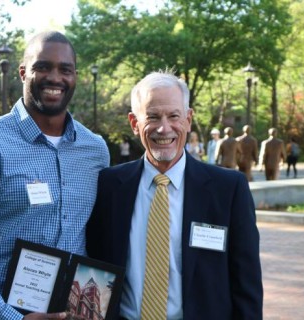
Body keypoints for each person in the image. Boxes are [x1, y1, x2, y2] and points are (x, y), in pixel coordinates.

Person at [0, 31, 110, 320]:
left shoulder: (95, 151)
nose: (55, 78)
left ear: (75, 76)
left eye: (65, 69)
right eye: (43, 67)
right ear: (23, 72)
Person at [86, 71, 263, 319]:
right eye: (153, 117)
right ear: (134, 124)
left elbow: (247, 283)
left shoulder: (228, 189)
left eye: (174, 116)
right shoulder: (110, 186)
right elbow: (95, 263)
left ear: (188, 119)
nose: (164, 128)